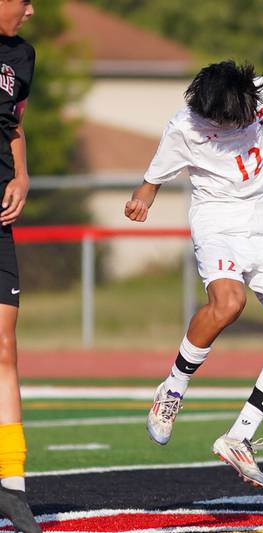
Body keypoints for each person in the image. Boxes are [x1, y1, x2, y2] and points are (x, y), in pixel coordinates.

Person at [125, 60, 263, 489]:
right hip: (218, 220)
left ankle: (239, 437)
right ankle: (172, 390)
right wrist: (143, 199)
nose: (235, 125)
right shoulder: (184, 128)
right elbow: (151, 179)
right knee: (229, 304)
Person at [0, 1, 40, 532]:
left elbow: (15, 125)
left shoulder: (21, 56)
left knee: (5, 345)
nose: (30, 10)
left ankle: (12, 487)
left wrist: (22, 176)